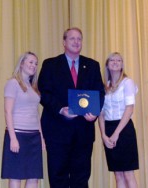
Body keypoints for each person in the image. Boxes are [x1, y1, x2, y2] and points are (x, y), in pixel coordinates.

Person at [38, 27, 105, 188]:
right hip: (57, 130)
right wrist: (61, 109)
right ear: (64, 42)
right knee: (57, 176)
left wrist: (94, 113)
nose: (76, 42)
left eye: (79, 39)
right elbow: (44, 93)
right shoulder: (50, 64)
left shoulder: (92, 65)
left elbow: (100, 93)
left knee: (81, 178)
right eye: (72, 38)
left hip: (83, 131)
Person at [1, 51, 45, 188]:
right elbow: (8, 111)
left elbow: (36, 114)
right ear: (22, 64)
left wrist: (41, 138)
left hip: (34, 137)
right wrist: (13, 138)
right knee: (16, 176)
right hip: (18, 134)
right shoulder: (13, 83)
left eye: (36, 63)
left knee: (34, 177)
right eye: (30, 62)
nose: (34, 65)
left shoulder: (34, 87)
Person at [98, 52, 139, 188]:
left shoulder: (127, 83)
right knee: (118, 175)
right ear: (107, 65)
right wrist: (104, 135)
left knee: (128, 173)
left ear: (122, 65)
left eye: (119, 60)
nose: (115, 62)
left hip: (124, 129)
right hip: (108, 128)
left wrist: (116, 133)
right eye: (112, 60)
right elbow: (101, 113)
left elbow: (129, 109)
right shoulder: (105, 86)